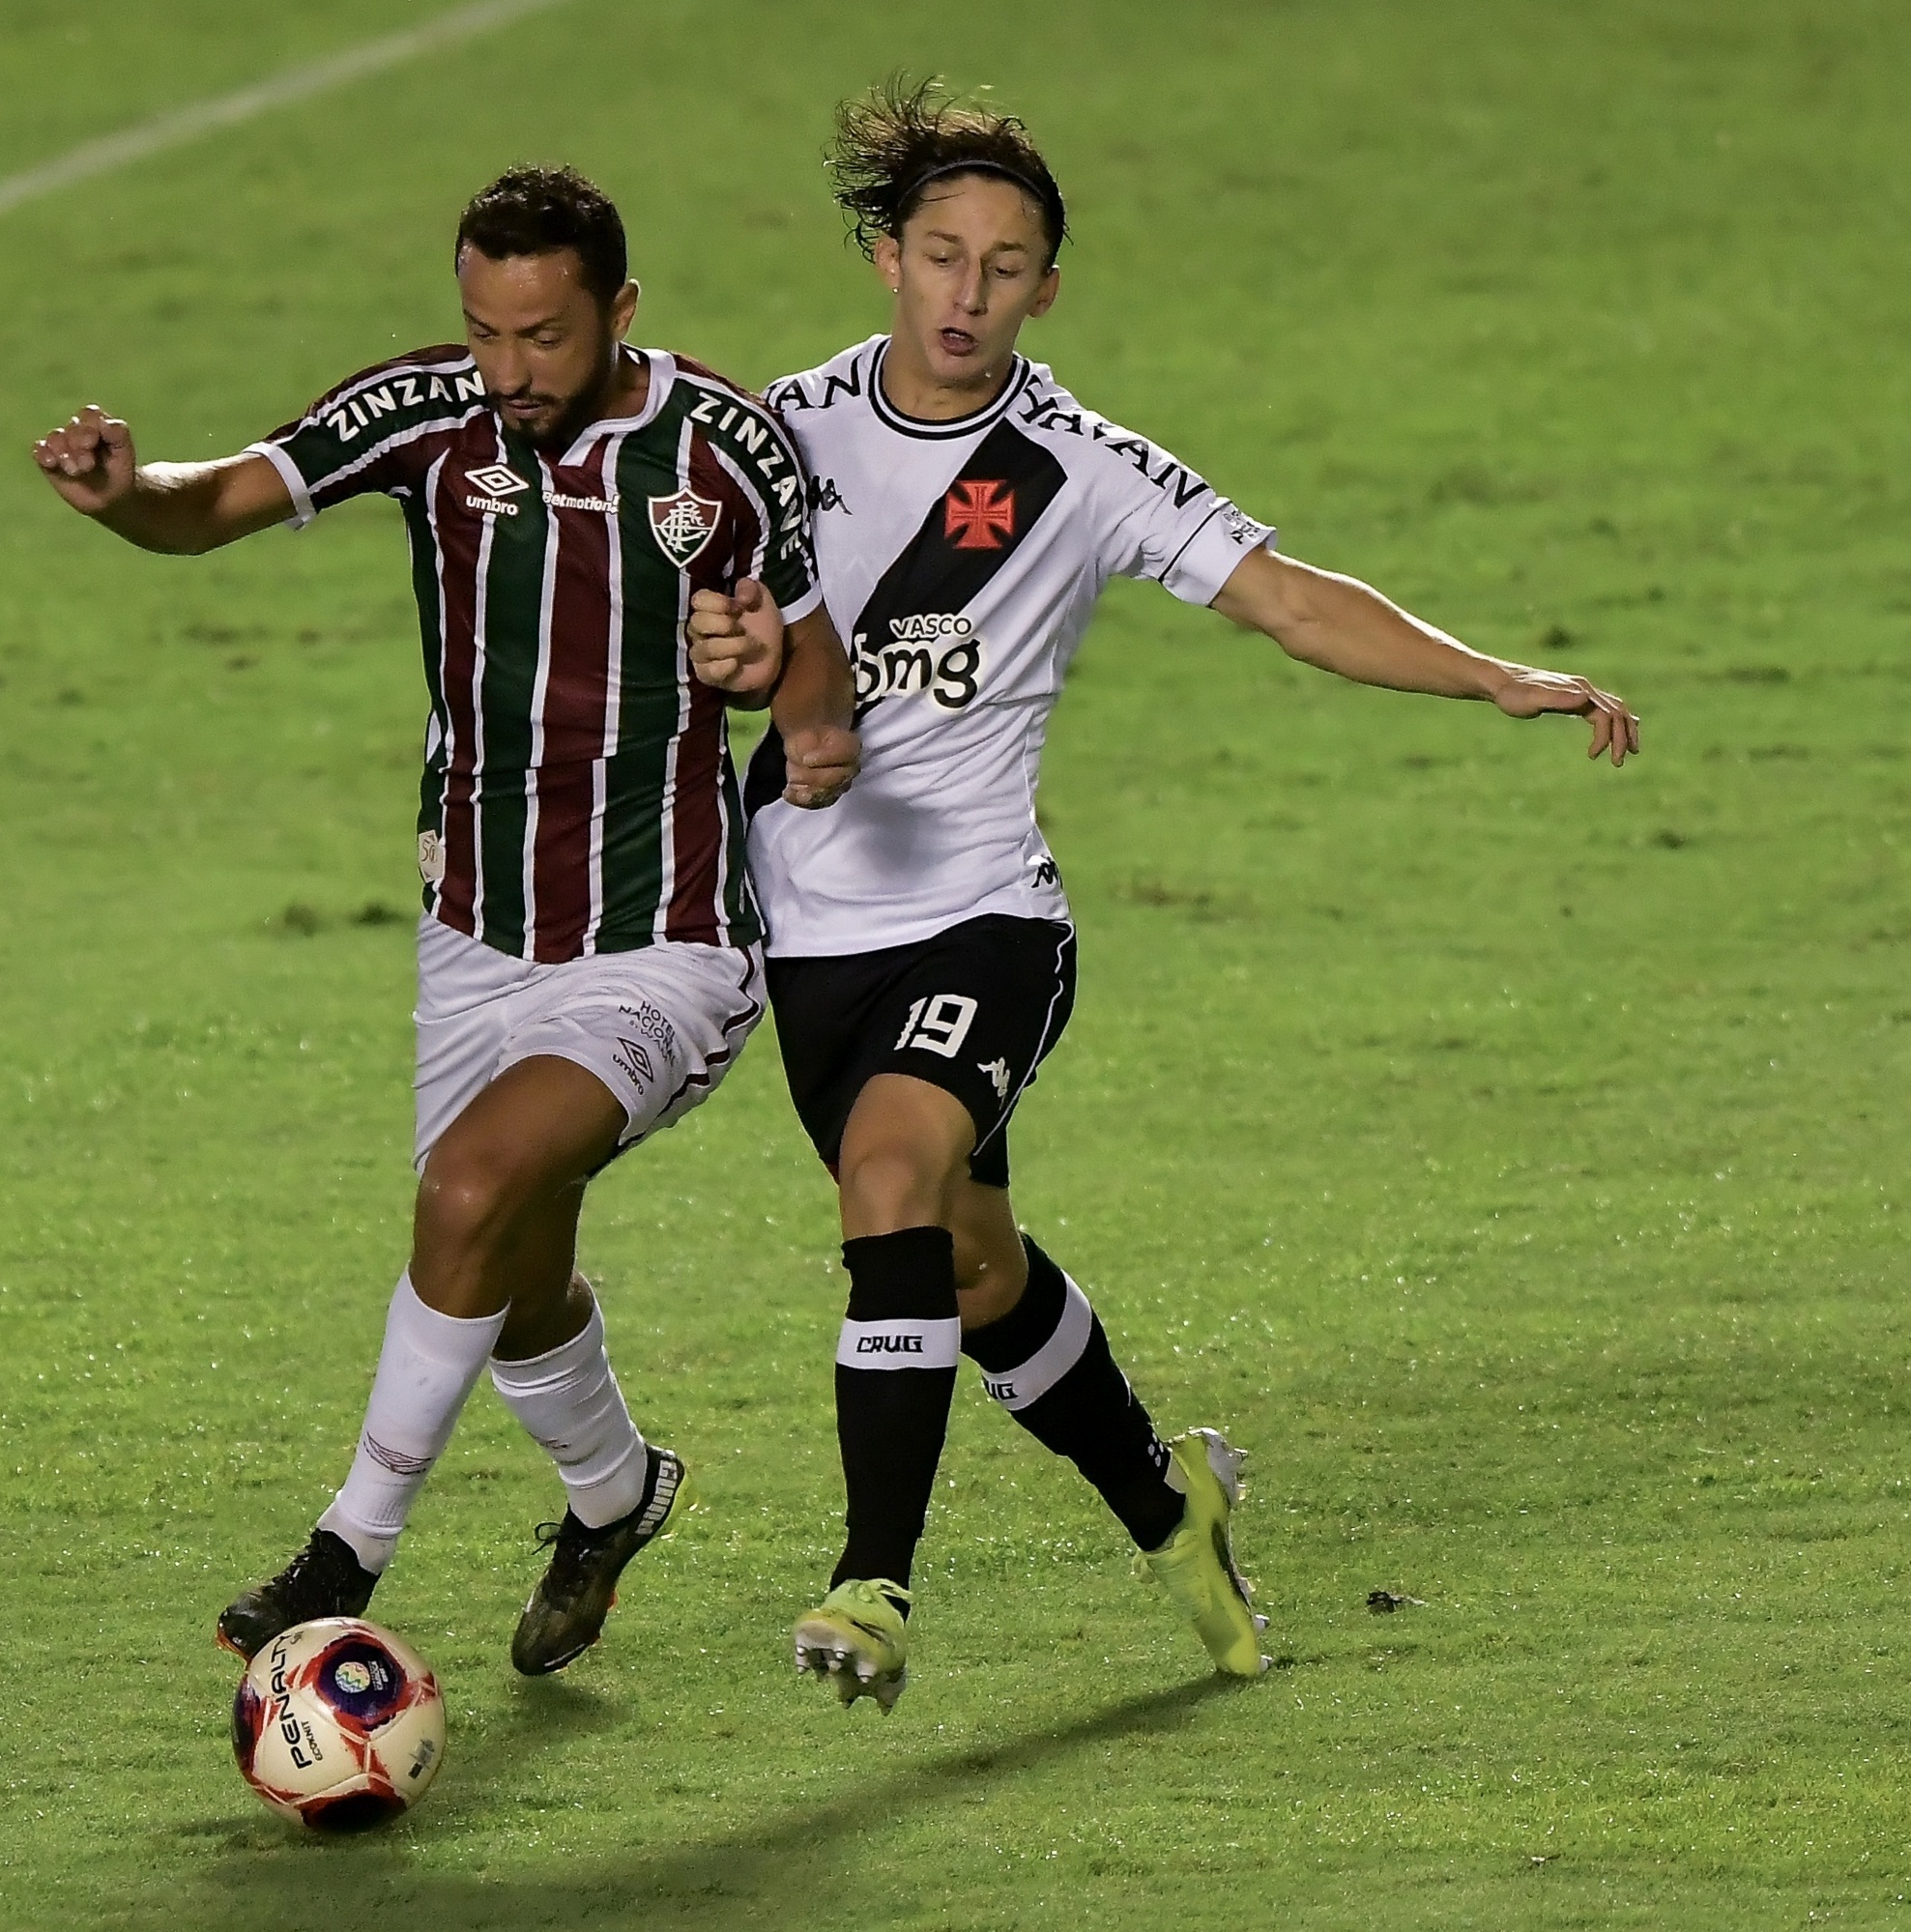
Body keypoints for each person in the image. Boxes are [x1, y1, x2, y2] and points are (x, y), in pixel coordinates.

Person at [695, 80, 1639, 1710]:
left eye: (1005, 265)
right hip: (806, 937)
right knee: (971, 1269)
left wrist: (1490, 676)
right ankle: (1167, 1503)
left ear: (1046, 286)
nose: (968, 295)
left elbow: (1286, 599)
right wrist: (732, 680)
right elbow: (692, 642)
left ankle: (874, 1584)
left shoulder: (1074, 466)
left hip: (987, 920)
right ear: (881, 258)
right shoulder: (771, 439)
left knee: (890, 1176)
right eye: (939, 256)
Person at [34, 165, 860, 1676]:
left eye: (542, 337)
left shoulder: (724, 450)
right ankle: (614, 1497)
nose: (509, 372)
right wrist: (120, 498)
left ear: (620, 311)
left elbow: (817, 686)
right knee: (512, 1261)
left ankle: (346, 1547)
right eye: (483, 331)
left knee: (471, 1187)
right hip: (471, 933)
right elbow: (217, 501)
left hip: (658, 934)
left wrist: (779, 698)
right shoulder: (431, 417)